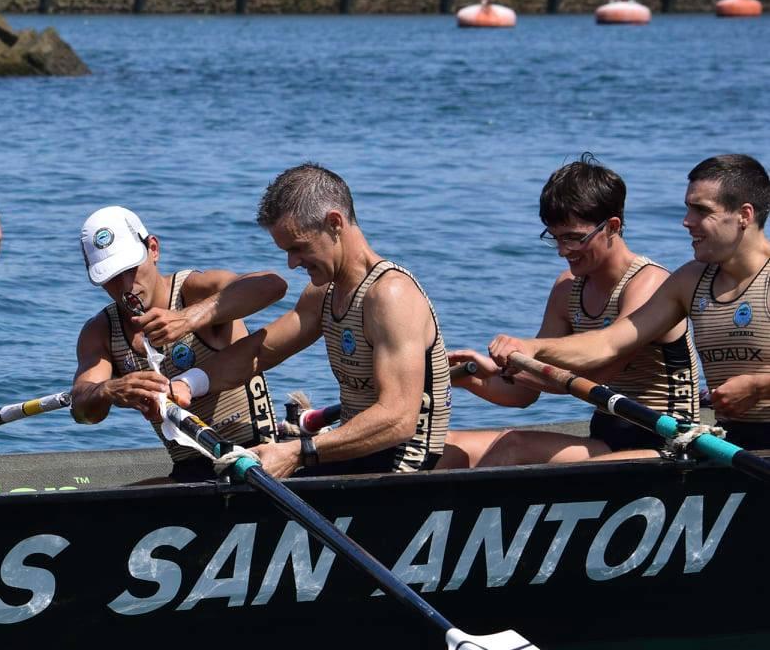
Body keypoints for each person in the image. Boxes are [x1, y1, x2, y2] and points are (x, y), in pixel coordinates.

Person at [490, 154, 770, 450]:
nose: (686, 221)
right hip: (732, 444)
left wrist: (758, 386)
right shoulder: (689, 280)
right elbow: (608, 344)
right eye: (687, 209)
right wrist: (533, 348)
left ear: (744, 215)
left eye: (701, 210)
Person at [445, 157, 697, 466]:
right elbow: (523, 395)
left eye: (574, 238)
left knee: (514, 446)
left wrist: (524, 357)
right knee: (447, 444)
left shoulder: (649, 285)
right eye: (554, 237)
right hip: (605, 438)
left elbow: (597, 372)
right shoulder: (567, 289)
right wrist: (466, 376)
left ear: (612, 227)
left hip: (665, 442)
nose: (563, 250)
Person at [205, 163, 452, 477]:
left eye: (298, 248)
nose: (292, 264)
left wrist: (298, 451)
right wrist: (187, 384)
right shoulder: (324, 292)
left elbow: (398, 420)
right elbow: (260, 352)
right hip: (356, 454)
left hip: (400, 470)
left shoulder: (391, 297)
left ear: (334, 223)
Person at [68, 205, 286, 482]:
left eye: (131, 269)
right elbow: (83, 412)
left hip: (259, 460)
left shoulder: (193, 291)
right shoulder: (100, 331)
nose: (125, 286)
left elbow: (272, 285)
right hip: (190, 472)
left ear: (154, 249)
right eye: (111, 277)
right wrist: (108, 390)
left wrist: (187, 318)